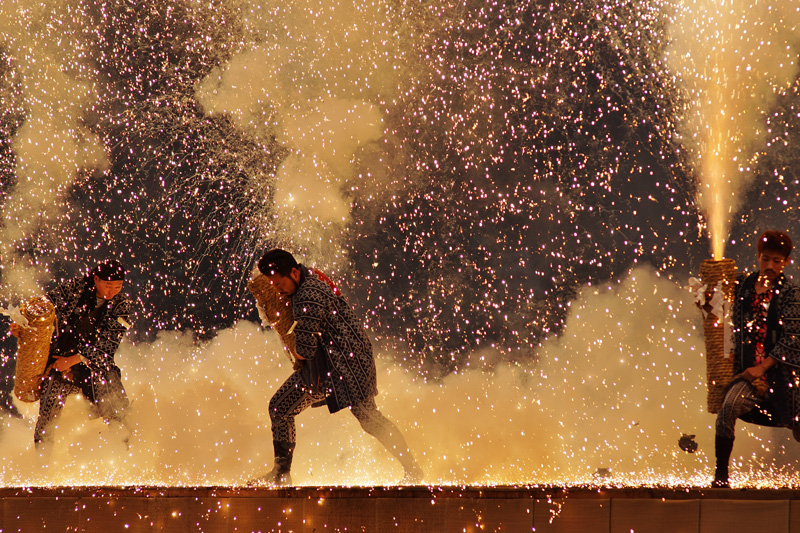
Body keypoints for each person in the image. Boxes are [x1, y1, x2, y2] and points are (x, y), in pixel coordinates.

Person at [251, 249, 423, 486]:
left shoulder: (307, 296)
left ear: (293, 272)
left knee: (369, 419)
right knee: (281, 408)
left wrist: (294, 344)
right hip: (333, 365)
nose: (278, 289)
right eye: (274, 285)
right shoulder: (311, 278)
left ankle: (413, 470)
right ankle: (281, 474)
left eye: (280, 284)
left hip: (347, 366)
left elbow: (306, 349)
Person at [10, 260, 132, 449]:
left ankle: (126, 455)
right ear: (96, 279)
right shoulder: (76, 288)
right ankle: (41, 462)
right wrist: (23, 323)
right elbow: (45, 306)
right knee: (47, 417)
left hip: (97, 365)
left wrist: (75, 359)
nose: (112, 291)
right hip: (60, 359)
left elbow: (108, 345)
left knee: (117, 410)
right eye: (108, 285)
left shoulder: (121, 304)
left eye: (118, 286)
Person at [713, 230, 800, 487]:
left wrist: (763, 366)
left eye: (776, 260)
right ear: (758, 257)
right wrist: (707, 298)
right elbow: (716, 300)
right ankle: (720, 476)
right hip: (749, 374)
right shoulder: (742, 286)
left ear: (785, 262)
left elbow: (794, 338)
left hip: (784, 375)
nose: (770, 266)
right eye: (765, 259)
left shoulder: (791, 293)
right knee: (728, 407)